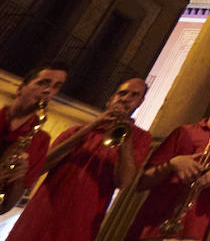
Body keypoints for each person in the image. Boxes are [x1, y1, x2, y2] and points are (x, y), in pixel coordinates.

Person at [9, 77, 150, 241]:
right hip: (41, 214)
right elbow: (40, 167)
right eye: (122, 93)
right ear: (110, 100)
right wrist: (91, 126)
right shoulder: (76, 130)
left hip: (81, 224)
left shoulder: (141, 138)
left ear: (140, 102)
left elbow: (124, 182)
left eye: (134, 95)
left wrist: (125, 135)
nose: (126, 98)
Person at [125, 75, 210, 241]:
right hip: (153, 224)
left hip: (193, 230)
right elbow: (142, 183)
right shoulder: (183, 132)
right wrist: (172, 164)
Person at [0, 63, 68, 213]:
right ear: (20, 88)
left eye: (56, 87)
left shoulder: (40, 140)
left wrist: (18, 177)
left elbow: (9, 204)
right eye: (43, 83)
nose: (48, 91)